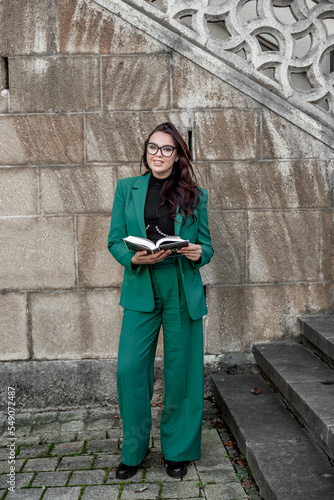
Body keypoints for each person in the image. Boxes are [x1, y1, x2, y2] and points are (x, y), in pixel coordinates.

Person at [107, 122, 214, 479]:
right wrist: (133, 258)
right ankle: (134, 451)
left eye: (167, 148)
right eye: (153, 147)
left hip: (181, 286)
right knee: (129, 370)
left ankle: (178, 450)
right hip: (141, 282)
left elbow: (207, 245)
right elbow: (115, 241)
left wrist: (199, 252)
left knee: (181, 371)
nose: (158, 154)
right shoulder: (127, 189)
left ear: (178, 154)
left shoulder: (195, 195)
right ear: (146, 150)